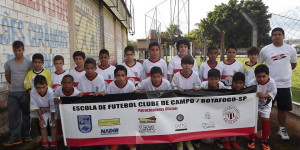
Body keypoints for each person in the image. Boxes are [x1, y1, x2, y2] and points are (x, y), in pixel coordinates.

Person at [259, 27, 297, 140]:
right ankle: (264, 130)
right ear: (272, 37)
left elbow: (293, 65)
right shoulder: (265, 50)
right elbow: (260, 65)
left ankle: (282, 129)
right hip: (269, 85)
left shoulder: (290, 49)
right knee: (265, 109)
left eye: (279, 34)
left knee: (283, 109)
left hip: (285, 85)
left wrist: (284, 74)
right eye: (274, 35)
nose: (277, 36)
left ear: (283, 36)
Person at [3, 41, 32, 146]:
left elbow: (32, 77)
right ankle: (16, 137)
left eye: (19, 50)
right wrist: (14, 85)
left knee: (26, 115)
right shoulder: (9, 63)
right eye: (15, 50)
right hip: (13, 94)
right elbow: (8, 76)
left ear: (23, 50)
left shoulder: (29, 63)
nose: (17, 52)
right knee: (13, 116)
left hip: (25, 93)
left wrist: (27, 89)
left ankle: (27, 135)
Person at [171, 55, 201, 150]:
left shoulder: (195, 75)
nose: (187, 65)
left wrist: (197, 88)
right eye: (185, 63)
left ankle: (188, 141)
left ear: (192, 65)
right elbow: (172, 87)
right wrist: (177, 89)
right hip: (179, 103)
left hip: (191, 103)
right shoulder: (176, 75)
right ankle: (180, 141)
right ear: (181, 65)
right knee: (179, 121)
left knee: (189, 122)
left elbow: (199, 85)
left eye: (189, 64)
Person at [106, 65, 136, 150]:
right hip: (115, 113)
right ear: (115, 76)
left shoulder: (130, 85)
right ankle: (114, 144)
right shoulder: (111, 86)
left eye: (123, 75)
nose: (121, 78)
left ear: (126, 76)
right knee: (114, 128)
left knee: (129, 127)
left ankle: (131, 144)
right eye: (118, 75)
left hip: (128, 113)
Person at [248, 64, 277, 150]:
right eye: (258, 76)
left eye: (264, 76)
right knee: (252, 120)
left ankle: (264, 140)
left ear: (268, 75)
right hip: (254, 104)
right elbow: (248, 94)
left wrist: (264, 95)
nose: (261, 79)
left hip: (266, 105)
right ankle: (251, 138)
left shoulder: (271, 82)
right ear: (255, 76)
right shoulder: (252, 82)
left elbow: (273, 93)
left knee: (265, 120)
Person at [53, 75, 81, 150]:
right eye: (65, 83)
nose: (67, 85)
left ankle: (72, 143)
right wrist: (56, 100)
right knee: (60, 135)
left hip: (71, 116)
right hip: (60, 115)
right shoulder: (58, 90)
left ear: (73, 83)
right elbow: (54, 98)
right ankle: (65, 143)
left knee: (72, 129)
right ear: (61, 83)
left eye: (69, 83)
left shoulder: (76, 93)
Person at [30, 75, 56, 150]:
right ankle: (45, 143)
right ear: (35, 87)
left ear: (47, 85)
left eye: (43, 87)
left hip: (52, 111)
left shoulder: (50, 92)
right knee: (42, 124)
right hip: (41, 110)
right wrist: (41, 118)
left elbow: (52, 106)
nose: (41, 90)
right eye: (38, 88)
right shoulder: (33, 92)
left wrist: (52, 118)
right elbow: (36, 106)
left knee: (53, 124)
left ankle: (54, 143)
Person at [223, 72, 245, 150]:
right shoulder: (227, 90)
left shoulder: (247, 91)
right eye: (236, 83)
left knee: (236, 124)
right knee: (226, 124)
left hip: (237, 112)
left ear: (244, 83)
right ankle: (225, 141)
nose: (238, 85)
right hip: (227, 112)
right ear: (232, 83)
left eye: (240, 83)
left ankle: (233, 140)